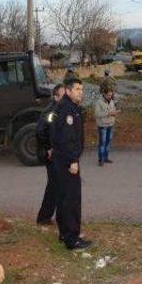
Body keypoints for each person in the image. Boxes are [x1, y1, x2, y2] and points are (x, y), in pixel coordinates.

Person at [50, 78, 92, 251]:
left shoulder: (64, 106)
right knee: (71, 200)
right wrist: (73, 160)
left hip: (61, 159)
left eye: (81, 89)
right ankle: (72, 239)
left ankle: (65, 232)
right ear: (67, 91)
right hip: (68, 161)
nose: (80, 92)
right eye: (76, 89)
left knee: (62, 197)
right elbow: (68, 138)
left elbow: (53, 130)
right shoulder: (67, 109)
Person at [35, 84, 65, 225]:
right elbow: (41, 130)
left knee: (55, 185)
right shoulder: (51, 112)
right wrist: (48, 147)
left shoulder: (59, 109)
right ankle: (44, 217)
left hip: (57, 154)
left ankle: (47, 216)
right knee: (53, 185)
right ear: (55, 96)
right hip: (50, 154)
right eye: (62, 95)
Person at [94, 88, 119, 166]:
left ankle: (106, 158)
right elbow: (97, 114)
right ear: (104, 94)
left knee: (108, 142)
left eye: (111, 95)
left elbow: (113, 109)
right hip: (102, 125)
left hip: (110, 124)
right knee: (102, 143)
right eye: (108, 95)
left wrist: (115, 113)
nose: (110, 96)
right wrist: (108, 114)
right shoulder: (99, 102)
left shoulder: (111, 101)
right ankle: (101, 159)